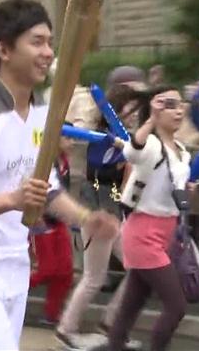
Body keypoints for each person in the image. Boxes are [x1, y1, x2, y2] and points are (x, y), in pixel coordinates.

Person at [0, 0, 119, 350]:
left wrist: (86, 218)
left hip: (14, 267)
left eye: (49, 42)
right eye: (37, 42)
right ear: (4, 50)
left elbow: (46, 186)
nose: (48, 52)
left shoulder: (42, 114)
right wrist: (11, 200)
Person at [101, 85, 192, 351]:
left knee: (132, 304)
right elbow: (132, 152)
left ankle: (114, 346)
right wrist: (151, 119)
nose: (177, 110)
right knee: (176, 306)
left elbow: (173, 186)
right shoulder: (151, 144)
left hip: (167, 231)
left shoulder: (183, 151)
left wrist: (187, 189)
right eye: (170, 104)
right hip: (143, 233)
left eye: (180, 104)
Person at [57, 83, 141, 351]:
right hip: (98, 208)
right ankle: (66, 329)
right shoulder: (102, 137)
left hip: (112, 209)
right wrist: (123, 150)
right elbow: (104, 171)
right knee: (95, 276)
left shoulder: (124, 136)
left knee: (137, 268)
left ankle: (111, 325)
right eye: (130, 107)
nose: (135, 112)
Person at [29, 132, 75, 326]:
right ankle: (4, 294)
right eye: (67, 138)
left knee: (65, 272)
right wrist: (36, 217)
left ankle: (52, 314)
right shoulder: (43, 161)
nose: (71, 142)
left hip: (59, 221)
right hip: (42, 221)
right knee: (47, 270)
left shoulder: (64, 161)